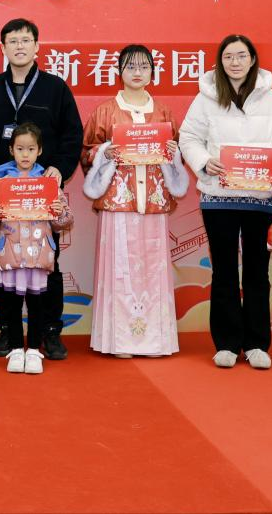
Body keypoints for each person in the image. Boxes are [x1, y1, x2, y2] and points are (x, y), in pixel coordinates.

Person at [0, 18, 83, 360]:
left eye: (26, 40)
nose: (19, 46)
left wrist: (59, 168)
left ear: (36, 46)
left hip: (41, 193)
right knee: (3, 263)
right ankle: (7, 331)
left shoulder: (55, 88)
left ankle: (49, 332)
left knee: (48, 263)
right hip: (1, 194)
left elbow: (72, 135)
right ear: (3, 48)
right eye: (13, 41)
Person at [178, 35, 272, 369]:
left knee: (257, 271)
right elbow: (188, 137)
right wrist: (204, 162)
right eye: (228, 56)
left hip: (259, 197)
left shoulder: (270, 98)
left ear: (253, 59)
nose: (235, 62)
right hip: (219, 197)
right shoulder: (206, 97)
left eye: (241, 55)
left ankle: (257, 344)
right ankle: (227, 343)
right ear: (220, 61)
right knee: (224, 270)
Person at [82, 45, 188, 359]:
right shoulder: (105, 111)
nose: (137, 73)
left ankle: (155, 341)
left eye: (143, 66)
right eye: (130, 67)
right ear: (119, 71)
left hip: (154, 199)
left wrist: (173, 152)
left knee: (154, 268)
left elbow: (177, 150)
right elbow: (86, 152)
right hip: (119, 199)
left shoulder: (164, 112)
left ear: (153, 71)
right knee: (120, 269)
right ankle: (120, 342)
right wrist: (105, 152)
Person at [0, 123, 73, 375]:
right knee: (12, 304)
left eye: (30, 149)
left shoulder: (48, 184)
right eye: (20, 149)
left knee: (37, 304)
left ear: (39, 150)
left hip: (39, 255)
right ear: (11, 150)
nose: (25, 154)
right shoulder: (1, 183)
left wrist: (60, 213)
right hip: (11, 255)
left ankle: (35, 351)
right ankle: (16, 349)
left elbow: (63, 221)